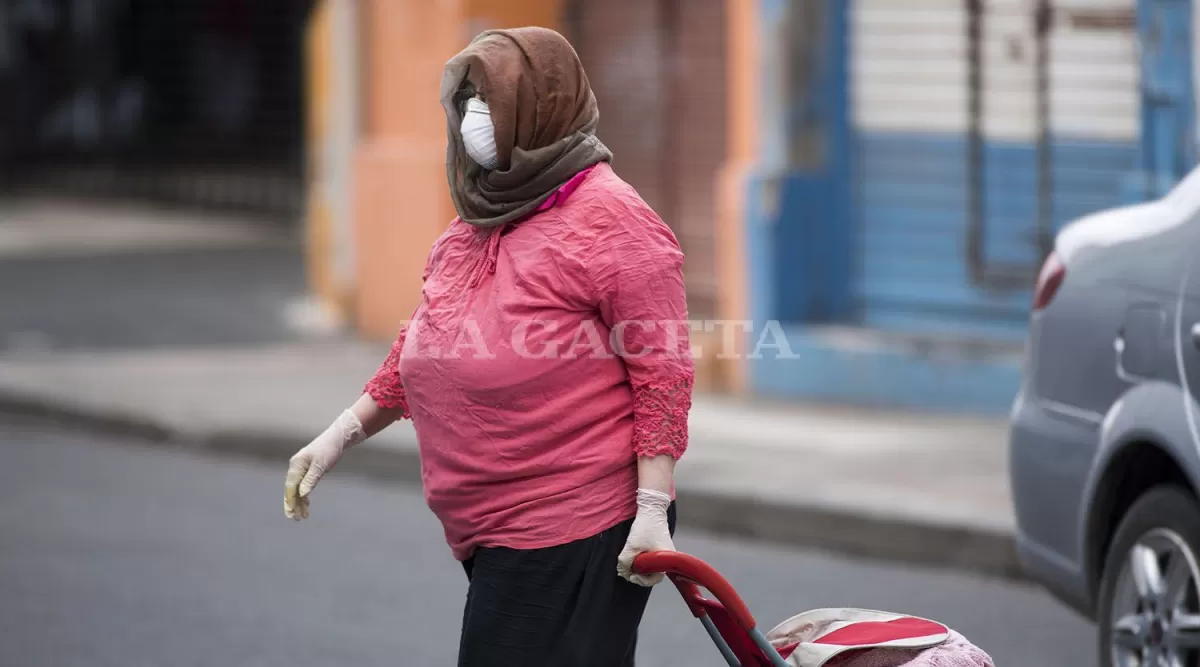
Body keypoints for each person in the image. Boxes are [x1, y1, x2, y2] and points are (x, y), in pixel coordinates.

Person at [283, 26, 693, 667]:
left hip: (579, 521)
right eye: (468, 97)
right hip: (493, 529)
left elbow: (662, 368)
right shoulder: (479, 218)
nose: (474, 115)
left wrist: (651, 506)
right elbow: (425, 341)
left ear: (541, 108)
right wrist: (341, 433)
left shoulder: (613, 219)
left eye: (491, 99)